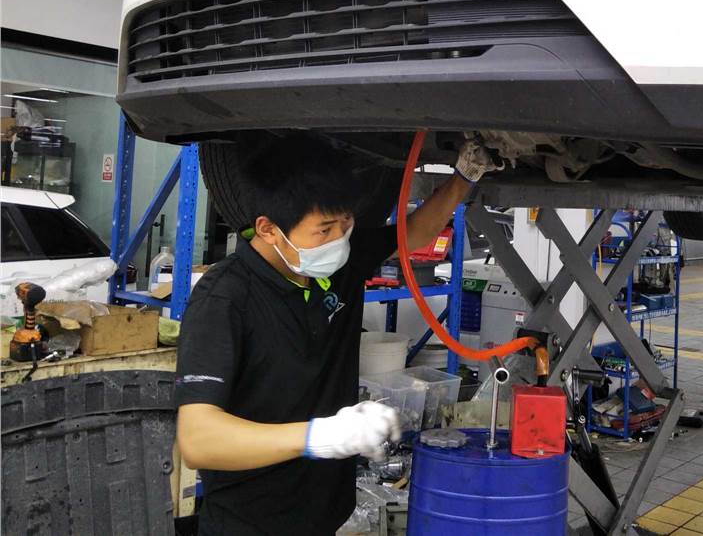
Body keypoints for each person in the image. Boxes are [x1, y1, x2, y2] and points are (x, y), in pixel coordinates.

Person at [173, 134, 499, 535]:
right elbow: (198, 440)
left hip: (325, 514)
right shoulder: (224, 298)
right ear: (268, 229)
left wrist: (465, 175)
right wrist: (320, 435)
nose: (338, 241)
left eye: (345, 224)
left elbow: (414, 232)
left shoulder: (337, 260)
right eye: (324, 230)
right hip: (250, 524)